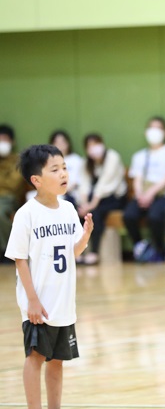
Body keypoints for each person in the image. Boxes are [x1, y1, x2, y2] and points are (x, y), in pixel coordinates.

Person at [4, 144, 93, 409]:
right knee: (35, 358)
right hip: (38, 303)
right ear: (37, 180)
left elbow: (72, 252)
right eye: (55, 169)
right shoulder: (26, 214)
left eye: (64, 167)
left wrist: (86, 235)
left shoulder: (67, 209)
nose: (63, 173)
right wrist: (31, 300)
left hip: (64, 302)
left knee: (57, 361)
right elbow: (19, 260)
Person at [123, 116, 165, 262]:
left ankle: (160, 250)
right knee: (129, 215)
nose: (154, 132)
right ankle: (140, 246)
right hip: (142, 195)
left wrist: (151, 193)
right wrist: (140, 196)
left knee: (155, 217)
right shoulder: (140, 155)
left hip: (162, 194)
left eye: (158, 128)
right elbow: (137, 179)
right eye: (151, 128)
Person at [77, 133, 128, 265]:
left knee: (95, 213)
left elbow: (104, 184)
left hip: (114, 197)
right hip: (94, 199)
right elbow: (84, 185)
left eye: (96, 144)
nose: (94, 148)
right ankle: (80, 251)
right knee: (80, 212)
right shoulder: (86, 163)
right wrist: (84, 204)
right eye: (90, 146)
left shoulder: (113, 157)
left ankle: (94, 252)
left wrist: (91, 205)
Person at [0, 124, 24, 262]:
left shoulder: (18, 160)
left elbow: (13, 185)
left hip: (9, 198)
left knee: (0, 212)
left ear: (12, 142)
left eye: (4, 139)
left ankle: (7, 251)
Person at [49, 130, 83, 206]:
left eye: (62, 142)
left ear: (68, 143)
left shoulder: (76, 159)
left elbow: (77, 181)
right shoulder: (49, 161)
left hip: (71, 194)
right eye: (57, 143)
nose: (60, 145)